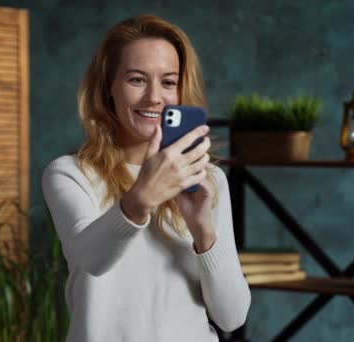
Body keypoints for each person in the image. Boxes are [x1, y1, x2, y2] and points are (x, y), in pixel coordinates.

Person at [42, 14, 250, 342]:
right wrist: (142, 199)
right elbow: (92, 260)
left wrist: (204, 233)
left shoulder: (207, 180)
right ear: (108, 88)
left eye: (168, 82)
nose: (154, 97)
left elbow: (232, 316)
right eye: (137, 80)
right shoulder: (69, 174)